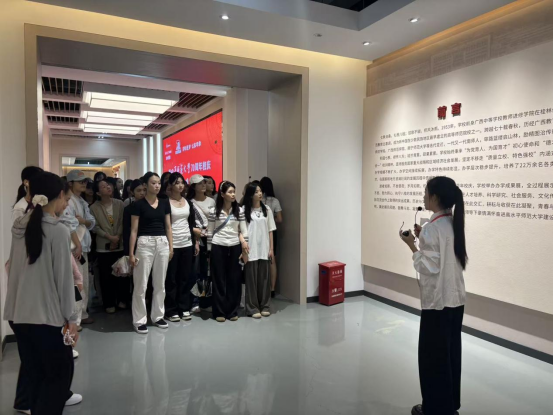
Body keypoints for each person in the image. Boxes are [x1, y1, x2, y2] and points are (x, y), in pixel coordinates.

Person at [4, 172, 82, 414]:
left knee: (36, 375)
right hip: (46, 318)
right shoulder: (58, 231)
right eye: (65, 198)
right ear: (58, 195)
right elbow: (63, 280)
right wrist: (72, 319)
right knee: (58, 376)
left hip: (18, 315)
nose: (66, 203)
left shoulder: (19, 226)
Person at [399, 176, 468, 415]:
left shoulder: (432, 228)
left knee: (432, 359)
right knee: (450, 355)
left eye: (426, 192)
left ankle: (434, 409)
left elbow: (427, 266)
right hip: (456, 300)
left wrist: (411, 244)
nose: (424, 196)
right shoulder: (452, 223)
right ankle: (449, 406)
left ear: (435, 197)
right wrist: (422, 238)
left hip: (437, 304)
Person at [129, 172, 173, 334]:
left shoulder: (164, 203)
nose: (157, 186)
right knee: (141, 284)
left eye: (159, 183)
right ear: (145, 185)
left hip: (162, 242)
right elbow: (134, 230)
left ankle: (158, 316)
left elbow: (168, 227)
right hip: (144, 243)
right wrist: (131, 253)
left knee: (160, 283)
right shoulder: (138, 205)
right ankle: (139, 320)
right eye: (153, 183)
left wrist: (171, 247)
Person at [207, 181, 249, 323]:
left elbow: (244, 231)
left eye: (234, 192)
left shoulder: (239, 210)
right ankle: (219, 311)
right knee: (218, 280)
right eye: (230, 192)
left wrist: (245, 249)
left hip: (235, 246)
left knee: (234, 280)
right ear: (222, 194)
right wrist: (209, 252)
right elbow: (210, 232)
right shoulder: (214, 211)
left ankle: (232, 311)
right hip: (218, 246)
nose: (233, 194)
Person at [60, 170, 97, 327]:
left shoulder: (81, 201)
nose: (84, 184)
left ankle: (82, 314)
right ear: (70, 183)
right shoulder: (68, 201)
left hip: (83, 246)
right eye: (80, 182)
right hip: (75, 247)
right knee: (77, 282)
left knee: (84, 282)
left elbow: (91, 222)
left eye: (85, 182)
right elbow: (69, 224)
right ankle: (74, 319)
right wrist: (78, 244)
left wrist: (83, 221)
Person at [165, 173, 200, 323]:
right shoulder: (166, 202)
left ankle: (184, 307)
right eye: (177, 183)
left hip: (187, 243)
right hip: (172, 244)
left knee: (185, 277)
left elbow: (191, 224)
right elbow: (166, 226)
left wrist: (196, 242)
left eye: (182, 182)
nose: (180, 185)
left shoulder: (188, 203)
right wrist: (169, 246)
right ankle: (171, 309)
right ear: (170, 185)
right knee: (171, 278)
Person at [90, 180, 127, 313]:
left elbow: (123, 221)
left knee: (121, 274)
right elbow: (95, 227)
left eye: (108, 185)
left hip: (119, 243)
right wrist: (110, 237)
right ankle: (109, 303)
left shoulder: (119, 203)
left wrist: (117, 237)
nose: (108, 187)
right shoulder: (94, 208)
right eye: (103, 187)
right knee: (106, 277)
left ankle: (121, 300)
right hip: (103, 246)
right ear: (98, 193)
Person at [243, 183, 276, 319]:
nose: (260, 193)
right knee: (251, 280)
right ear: (250, 194)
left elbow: (270, 230)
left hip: (264, 249)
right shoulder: (244, 210)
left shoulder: (266, 209)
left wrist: (271, 249)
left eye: (260, 191)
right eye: (256, 192)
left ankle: (265, 306)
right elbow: (241, 230)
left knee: (264, 279)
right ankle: (252, 307)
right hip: (251, 249)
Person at [187, 175, 216, 313]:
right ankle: (195, 301)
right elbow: (188, 222)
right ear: (193, 186)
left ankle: (207, 301)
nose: (204, 185)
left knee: (208, 271)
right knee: (196, 271)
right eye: (200, 183)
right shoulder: (189, 203)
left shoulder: (212, 201)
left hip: (210, 238)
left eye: (204, 182)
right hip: (196, 239)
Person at [260, 177, 283, 298]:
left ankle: (261, 287)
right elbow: (279, 219)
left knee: (260, 259)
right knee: (272, 260)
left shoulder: (258, 200)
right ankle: (272, 288)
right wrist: (271, 219)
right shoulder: (275, 201)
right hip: (272, 232)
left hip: (260, 232)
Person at [123, 180, 147, 256]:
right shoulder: (128, 209)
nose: (142, 193)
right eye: (139, 190)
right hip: (135, 243)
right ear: (132, 192)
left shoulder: (151, 206)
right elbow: (126, 231)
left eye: (144, 190)